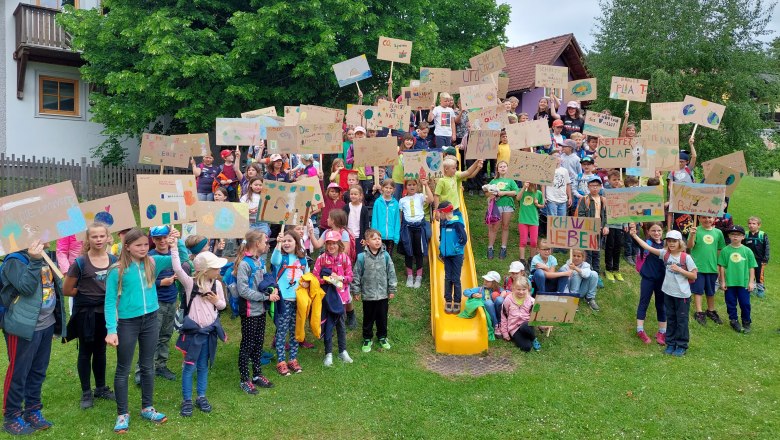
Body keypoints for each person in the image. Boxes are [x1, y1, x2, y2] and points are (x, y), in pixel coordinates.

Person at [104, 227, 188, 433]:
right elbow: (109, 302)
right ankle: (122, 413)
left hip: (150, 320)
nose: (143, 248)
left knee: (148, 365)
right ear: (127, 247)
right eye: (138, 245)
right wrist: (111, 329)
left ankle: (147, 407)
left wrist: (178, 241)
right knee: (123, 368)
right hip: (127, 323)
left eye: (145, 244)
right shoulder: (117, 270)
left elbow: (184, 261)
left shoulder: (153, 262)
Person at [1, 239, 67, 435]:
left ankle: (32, 410)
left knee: (38, 370)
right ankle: (12, 415)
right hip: (23, 326)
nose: (49, 237)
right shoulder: (15, 260)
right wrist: (36, 260)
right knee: (19, 371)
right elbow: (26, 287)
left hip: (46, 324)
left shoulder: (47, 257)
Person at [63, 223, 117, 410]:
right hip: (85, 314)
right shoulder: (80, 263)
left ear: (108, 237)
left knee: (101, 350)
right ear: (88, 239)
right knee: (85, 352)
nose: (99, 239)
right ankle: (86, 392)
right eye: (94, 236)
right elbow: (67, 289)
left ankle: (100, 388)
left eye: (102, 236)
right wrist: (87, 294)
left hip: (106, 313)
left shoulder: (114, 260)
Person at [169, 248, 227, 417]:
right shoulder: (190, 283)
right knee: (189, 367)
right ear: (205, 270)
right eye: (216, 268)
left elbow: (222, 305)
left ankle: (201, 396)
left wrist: (217, 301)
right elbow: (178, 269)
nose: (219, 271)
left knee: (203, 366)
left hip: (208, 334)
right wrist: (173, 247)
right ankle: (187, 399)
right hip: (193, 335)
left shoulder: (217, 285)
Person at [630, 228, 698, 357]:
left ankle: (681, 345)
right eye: (669, 241)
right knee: (671, 319)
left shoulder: (686, 257)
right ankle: (671, 343)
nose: (671, 244)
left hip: (682, 295)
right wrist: (634, 235)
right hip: (668, 292)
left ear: (680, 242)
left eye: (674, 241)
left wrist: (680, 270)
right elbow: (647, 247)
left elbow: (694, 275)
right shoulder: (665, 254)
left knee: (681, 320)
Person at [133, 226, 178, 385]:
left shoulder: (173, 254)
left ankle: (160, 366)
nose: (162, 241)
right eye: (158, 239)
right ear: (153, 240)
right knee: (150, 338)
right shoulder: (149, 257)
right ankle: (141, 371)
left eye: (165, 237)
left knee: (165, 336)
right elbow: (142, 281)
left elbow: (184, 264)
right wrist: (161, 282)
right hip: (155, 303)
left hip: (171, 300)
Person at [234, 230, 277, 394]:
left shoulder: (258, 261)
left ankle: (257, 375)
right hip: (250, 311)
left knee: (258, 343)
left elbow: (265, 280)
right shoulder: (245, 264)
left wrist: (273, 288)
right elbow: (243, 290)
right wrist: (265, 297)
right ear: (257, 244)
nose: (267, 245)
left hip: (260, 310)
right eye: (265, 242)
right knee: (247, 345)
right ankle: (244, 379)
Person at [351, 229, 397, 353]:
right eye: (374, 238)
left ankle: (382, 336)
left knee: (382, 318)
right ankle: (367, 338)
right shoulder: (361, 257)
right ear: (366, 242)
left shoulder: (386, 255)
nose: (377, 241)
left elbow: (391, 272)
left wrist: (391, 289)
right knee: (368, 318)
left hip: (382, 294)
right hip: (368, 295)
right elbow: (356, 275)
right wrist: (356, 291)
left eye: (379, 239)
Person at [270, 229, 308, 376]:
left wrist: (306, 283)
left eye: (289, 241)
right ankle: (281, 361)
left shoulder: (302, 259)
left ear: (296, 243)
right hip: (283, 300)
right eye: (284, 240)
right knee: (282, 331)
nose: (286, 243)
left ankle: (292, 358)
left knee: (295, 331)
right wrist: (277, 244)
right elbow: (274, 261)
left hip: (298, 300)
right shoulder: (281, 258)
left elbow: (307, 276)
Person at [313, 230, 354, 366]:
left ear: (339, 244)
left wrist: (340, 278)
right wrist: (327, 280)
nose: (331, 246)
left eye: (334, 244)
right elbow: (315, 277)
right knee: (328, 325)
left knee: (341, 324)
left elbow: (350, 277)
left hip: (341, 298)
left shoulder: (344, 258)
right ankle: (328, 353)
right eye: (329, 243)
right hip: (327, 297)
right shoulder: (321, 258)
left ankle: (343, 351)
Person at [687, 215, 726, 326]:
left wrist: (719, 264)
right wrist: (692, 235)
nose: (707, 220)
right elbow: (690, 246)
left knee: (710, 291)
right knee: (698, 290)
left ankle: (711, 310)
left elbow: (720, 249)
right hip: (698, 267)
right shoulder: (695, 230)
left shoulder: (718, 232)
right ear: (699, 219)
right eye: (704, 217)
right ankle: (699, 312)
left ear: (714, 219)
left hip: (712, 267)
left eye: (709, 217)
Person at [718, 225, 758, 333]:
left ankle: (746, 321)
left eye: (738, 235)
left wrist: (751, 282)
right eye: (733, 235)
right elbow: (722, 267)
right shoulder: (725, 250)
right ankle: (733, 320)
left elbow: (751, 267)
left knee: (745, 303)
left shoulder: (747, 251)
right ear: (729, 236)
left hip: (743, 282)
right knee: (730, 302)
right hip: (730, 282)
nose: (735, 237)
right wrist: (722, 281)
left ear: (743, 237)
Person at [633, 222, 667, 345]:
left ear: (662, 231)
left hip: (662, 280)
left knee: (661, 305)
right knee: (644, 302)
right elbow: (640, 245)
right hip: (648, 278)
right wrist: (634, 235)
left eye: (659, 230)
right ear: (648, 231)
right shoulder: (647, 243)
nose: (656, 233)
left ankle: (662, 331)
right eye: (653, 231)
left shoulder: (666, 244)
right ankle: (640, 329)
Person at [399, 178, 433, 288]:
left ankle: (419, 276)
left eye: (414, 184)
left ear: (417, 186)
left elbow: (431, 200)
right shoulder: (402, 200)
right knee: (409, 251)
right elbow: (401, 216)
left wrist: (425, 185)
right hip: (408, 227)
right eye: (409, 185)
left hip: (419, 227)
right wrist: (400, 228)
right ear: (406, 187)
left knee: (419, 252)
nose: (412, 187)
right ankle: (409, 276)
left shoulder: (420, 196)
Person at [576, 175, 607, 288]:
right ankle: (588, 273)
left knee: (597, 253)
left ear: (600, 187)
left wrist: (605, 226)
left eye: (597, 186)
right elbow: (581, 215)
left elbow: (606, 215)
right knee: (588, 253)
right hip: (588, 231)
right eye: (592, 186)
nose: (594, 188)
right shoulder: (585, 200)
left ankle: (596, 275)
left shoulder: (603, 200)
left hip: (599, 231)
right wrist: (590, 226)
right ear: (588, 187)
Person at [485, 161, 519, 260]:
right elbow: (487, 193)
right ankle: (490, 247)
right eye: (501, 167)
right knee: (494, 227)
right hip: (496, 206)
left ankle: (503, 247)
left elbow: (516, 192)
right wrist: (491, 194)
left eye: (505, 166)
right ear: (497, 169)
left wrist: (503, 193)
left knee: (505, 226)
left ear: (508, 168)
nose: (503, 168)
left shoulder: (511, 180)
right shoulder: (493, 181)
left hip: (508, 206)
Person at [438, 201, 467, 314]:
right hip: (447, 255)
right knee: (447, 278)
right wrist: (442, 248)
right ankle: (448, 299)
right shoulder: (445, 222)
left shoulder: (457, 223)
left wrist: (456, 248)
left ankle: (457, 301)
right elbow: (443, 238)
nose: (439, 215)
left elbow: (463, 239)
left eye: (440, 212)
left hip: (456, 256)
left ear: (444, 212)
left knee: (455, 278)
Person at [496, 277, 540, 352]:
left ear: (528, 289)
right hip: (514, 328)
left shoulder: (532, 301)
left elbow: (537, 315)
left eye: (524, 289)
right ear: (513, 288)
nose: (521, 292)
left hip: (527, 325)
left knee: (525, 326)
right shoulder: (508, 300)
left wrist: (542, 325)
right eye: (518, 289)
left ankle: (533, 339)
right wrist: (505, 333)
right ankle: (525, 338)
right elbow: (504, 316)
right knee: (527, 348)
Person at [604, 171, 626, 282]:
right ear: (609, 180)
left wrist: (625, 223)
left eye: (618, 179)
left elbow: (625, 207)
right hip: (610, 224)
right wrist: (606, 225)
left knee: (618, 247)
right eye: (614, 180)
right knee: (610, 247)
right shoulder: (606, 192)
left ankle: (616, 269)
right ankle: (608, 269)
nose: (616, 182)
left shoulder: (623, 193)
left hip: (620, 224)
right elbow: (605, 210)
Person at [371, 179, 401, 255]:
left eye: (390, 188)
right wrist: (374, 234)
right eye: (386, 187)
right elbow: (375, 219)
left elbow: (397, 221)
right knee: (378, 257)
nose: (388, 190)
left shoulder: (395, 203)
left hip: (391, 236)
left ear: (394, 190)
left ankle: (387, 267)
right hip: (379, 236)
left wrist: (396, 236)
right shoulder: (378, 202)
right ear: (382, 188)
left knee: (388, 257)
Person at [744, 216, 769, 297]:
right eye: (749, 223)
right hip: (748, 259)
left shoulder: (763, 235)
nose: (751, 225)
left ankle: (760, 289)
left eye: (754, 224)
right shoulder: (746, 234)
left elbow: (767, 247)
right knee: (749, 274)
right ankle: (752, 287)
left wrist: (766, 258)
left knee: (759, 275)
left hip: (760, 259)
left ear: (759, 225)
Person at [344, 185, 371, 255]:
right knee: (347, 256)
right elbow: (342, 222)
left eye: (355, 194)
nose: (353, 196)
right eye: (351, 194)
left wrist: (365, 238)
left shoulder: (364, 209)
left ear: (360, 195)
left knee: (359, 256)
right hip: (348, 237)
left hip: (359, 237)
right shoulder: (346, 207)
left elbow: (366, 225)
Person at [546, 153, 572, 219]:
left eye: (558, 156)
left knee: (562, 220)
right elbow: (543, 184)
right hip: (551, 198)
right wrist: (543, 197)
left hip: (563, 199)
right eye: (554, 156)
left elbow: (568, 184)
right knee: (552, 220)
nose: (556, 158)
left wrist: (570, 197)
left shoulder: (564, 171)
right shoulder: (547, 170)